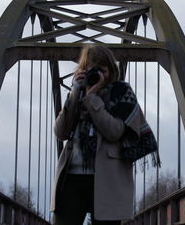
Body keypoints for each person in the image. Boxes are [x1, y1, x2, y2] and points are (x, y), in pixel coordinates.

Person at [51, 45, 156, 225]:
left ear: (112, 70)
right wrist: (75, 92)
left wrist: (92, 100)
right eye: (92, 69)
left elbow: (115, 132)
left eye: (102, 70)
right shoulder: (77, 93)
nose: (98, 75)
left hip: (109, 180)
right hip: (72, 179)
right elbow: (61, 132)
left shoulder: (122, 92)